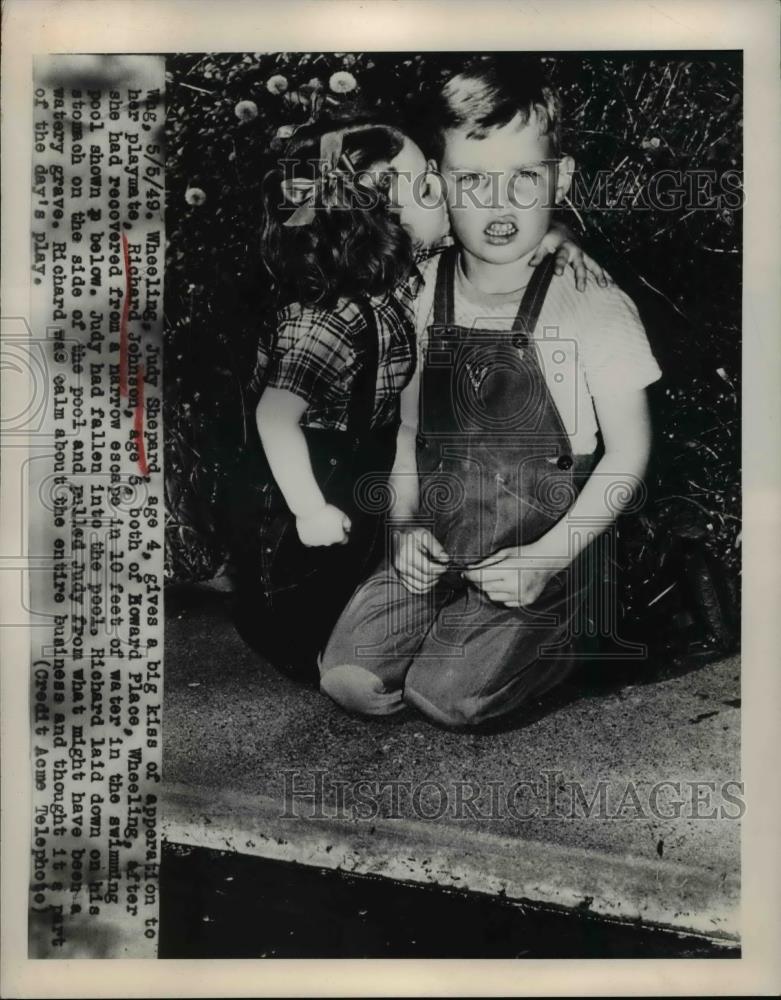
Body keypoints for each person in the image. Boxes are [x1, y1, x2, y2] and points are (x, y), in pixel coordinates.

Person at [320, 58, 662, 725]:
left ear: (558, 178)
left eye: (523, 179)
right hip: (444, 544)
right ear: (438, 186)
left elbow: (627, 455)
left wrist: (546, 558)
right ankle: (438, 616)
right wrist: (404, 529)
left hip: (548, 558)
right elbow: (412, 436)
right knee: (345, 673)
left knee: (448, 697)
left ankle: (569, 635)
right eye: (471, 180)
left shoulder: (587, 301)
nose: (498, 204)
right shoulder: (420, 290)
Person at [230, 108, 604, 684]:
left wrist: (558, 235)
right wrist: (309, 511)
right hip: (305, 482)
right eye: (430, 186)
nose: (453, 197)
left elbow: (508, 232)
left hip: (371, 456)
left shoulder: (415, 267)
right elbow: (275, 418)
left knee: (393, 577)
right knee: (312, 618)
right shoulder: (324, 319)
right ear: (384, 218)